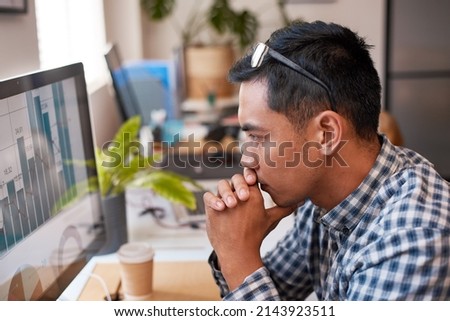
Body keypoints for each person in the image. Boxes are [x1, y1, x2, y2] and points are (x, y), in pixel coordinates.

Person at [202, 20, 450, 300]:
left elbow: (249, 284)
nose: (247, 160)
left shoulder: (412, 237)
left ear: (327, 134)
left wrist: (236, 254)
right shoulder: (320, 198)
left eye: (258, 138)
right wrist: (235, 247)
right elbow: (274, 293)